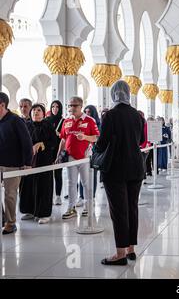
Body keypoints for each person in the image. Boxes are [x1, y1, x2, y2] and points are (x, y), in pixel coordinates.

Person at [96, 80, 145, 265]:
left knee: (119, 211)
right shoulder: (137, 115)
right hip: (135, 167)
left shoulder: (110, 116)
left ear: (113, 93)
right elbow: (141, 141)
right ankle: (131, 249)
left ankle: (120, 253)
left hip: (115, 169)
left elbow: (102, 143)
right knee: (132, 208)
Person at [55, 96, 99, 219]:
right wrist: (59, 154)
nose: (72, 108)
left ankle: (88, 206)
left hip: (85, 157)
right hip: (70, 157)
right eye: (70, 105)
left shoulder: (89, 120)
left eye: (75, 105)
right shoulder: (66, 121)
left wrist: (84, 137)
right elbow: (63, 139)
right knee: (71, 183)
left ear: (81, 106)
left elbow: (96, 137)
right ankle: (71, 208)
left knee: (86, 182)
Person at [0, 92, 33, 234]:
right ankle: (2, 218)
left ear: (2, 105)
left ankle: (10, 222)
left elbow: (27, 142)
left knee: (10, 194)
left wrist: (27, 162)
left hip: (12, 165)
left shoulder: (15, 120)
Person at [19, 104, 58, 224]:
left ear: (43, 113)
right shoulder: (26, 125)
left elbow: (54, 142)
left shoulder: (48, 125)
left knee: (43, 185)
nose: (36, 112)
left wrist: (41, 144)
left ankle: (44, 213)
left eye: (39, 110)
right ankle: (30, 210)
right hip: (29, 161)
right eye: (34, 110)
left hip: (44, 160)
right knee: (28, 185)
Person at [78, 105, 101, 204]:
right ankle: (82, 196)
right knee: (81, 176)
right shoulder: (82, 123)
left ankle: (92, 196)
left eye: (89, 112)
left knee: (93, 175)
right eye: (86, 112)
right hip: (83, 153)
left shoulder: (98, 124)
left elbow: (98, 138)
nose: (87, 114)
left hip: (94, 153)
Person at [46, 100, 64, 205]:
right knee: (48, 175)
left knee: (58, 174)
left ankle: (58, 196)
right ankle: (49, 196)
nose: (55, 109)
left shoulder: (64, 120)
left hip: (58, 150)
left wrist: (59, 135)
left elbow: (66, 136)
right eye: (53, 107)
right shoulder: (47, 120)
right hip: (48, 151)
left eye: (57, 107)